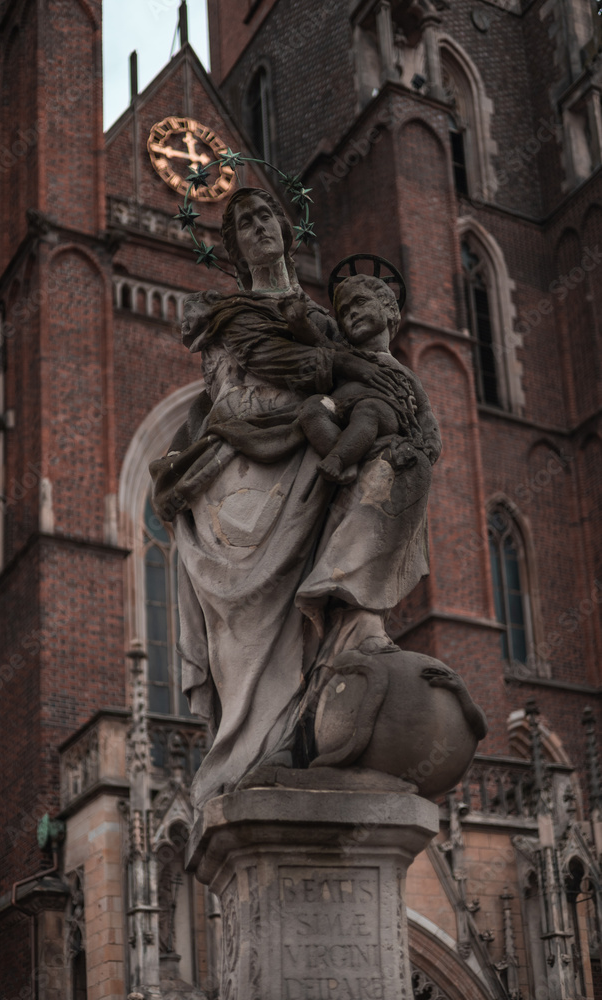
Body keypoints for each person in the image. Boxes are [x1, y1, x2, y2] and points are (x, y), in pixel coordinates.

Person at [150, 187, 440, 809]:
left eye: (264, 217)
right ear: (232, 247)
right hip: (250, 465)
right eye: (243, 225)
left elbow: (367, 382)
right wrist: (351, 376)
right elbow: (287, 368)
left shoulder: (331, 319)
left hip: (315, 456)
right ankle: (253, 748)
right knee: (249, 625)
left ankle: (340, 660)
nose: (257, 229)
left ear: (285, 229)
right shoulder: (233, 315)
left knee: (389, 477)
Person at [297, 274, 440, 484]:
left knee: (369, 409)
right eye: (344, 312)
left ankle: (338, 459)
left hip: (384, 413)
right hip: (343, 408)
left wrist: (432, 442)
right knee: (311, 407)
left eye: (360, 302)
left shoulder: (404, 371)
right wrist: (299, 323)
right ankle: (348, 458)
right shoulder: (346, 356)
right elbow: (318, 343)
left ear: (390, 309)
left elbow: (425, 412)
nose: (352, 312)